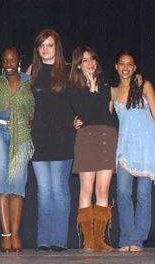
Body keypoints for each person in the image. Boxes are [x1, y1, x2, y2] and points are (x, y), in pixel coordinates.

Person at [26, 29, 75, 251]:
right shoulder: (31, 72)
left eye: (50, 45)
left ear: (57, 47)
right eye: (42, 45)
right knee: (43, 190)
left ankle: (59, 240)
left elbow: (85, 95)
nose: (46, 49)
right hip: (38, 138)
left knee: (59, 188)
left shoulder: (69, 70)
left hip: (62, 137)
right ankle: (43, 240)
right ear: (37, 49)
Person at [70, 46, 117, 252]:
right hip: (87, 138)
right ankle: (88, 240)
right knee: (86, 190)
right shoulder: (74, 87)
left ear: (96, 61)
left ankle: (100, 239)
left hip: (107, 137)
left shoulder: (108, 84)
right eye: (84, 60)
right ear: (78, 65)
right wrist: (90, 89)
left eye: (92, 59)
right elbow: (85, 115)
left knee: (104, 190)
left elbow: (111, 114)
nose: (89, 63)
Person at [0, 44, 34, 253]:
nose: (9, 64)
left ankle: (16, 234)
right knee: (1, 182)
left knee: (17, 183)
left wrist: (33, 119)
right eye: (5, 60)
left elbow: (39, 105)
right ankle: (5, 235)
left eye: (13, 60)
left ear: (19, 61)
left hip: (22, 135)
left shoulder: (29, 82)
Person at [112, 49, 155, 252]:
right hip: (125, 150)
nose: (126, 68)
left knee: (144, 195)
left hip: (147, 149)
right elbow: (97, 115)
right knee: (122, 192)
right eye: (122, 63)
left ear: (135, 67)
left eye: (130, 64)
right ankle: (126, 238)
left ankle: (137, 240)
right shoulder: (112, 92)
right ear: (116, 67)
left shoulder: (144, 85)